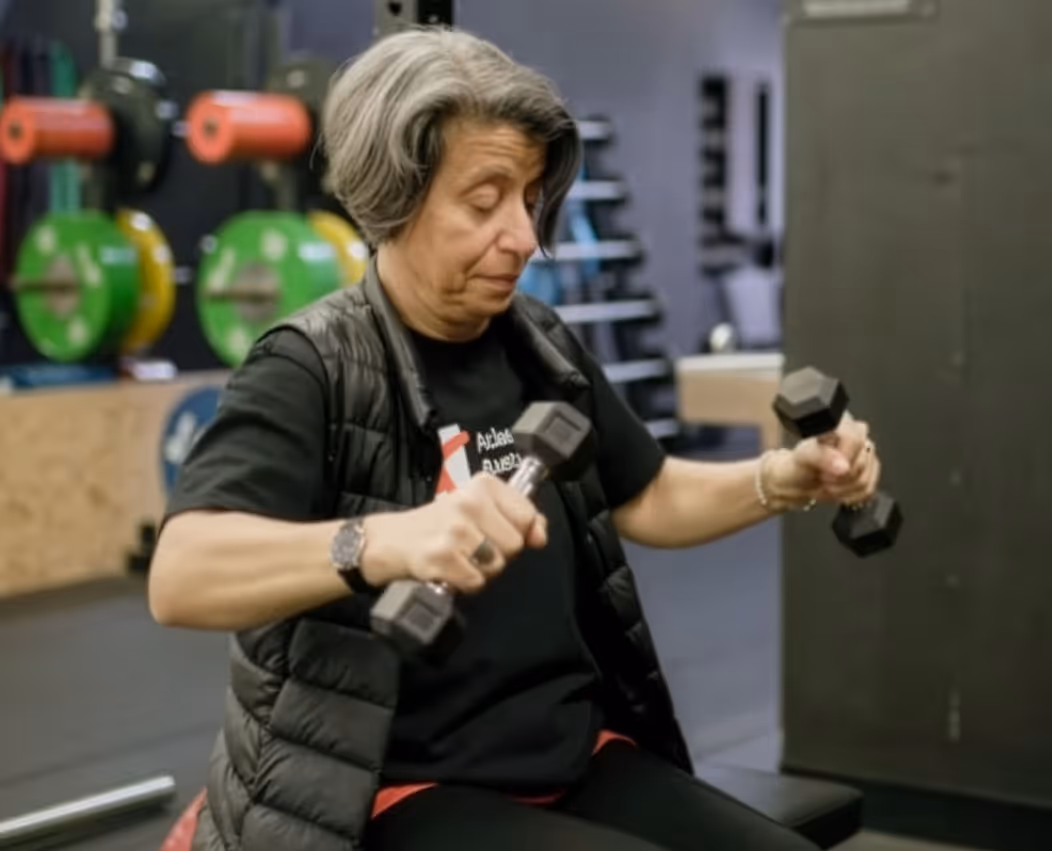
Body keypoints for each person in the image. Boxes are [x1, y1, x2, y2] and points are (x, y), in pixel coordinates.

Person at [147, 28, 881, 851]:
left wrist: (785, 477)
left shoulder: (539, 341)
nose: (526, 237)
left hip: (568, 753)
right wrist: (385, 539)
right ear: (396, 195)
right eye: (485, 199)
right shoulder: (310, 364)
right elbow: (181, 575)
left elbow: (650, 494)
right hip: (386, 786)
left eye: (530, 197)